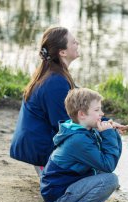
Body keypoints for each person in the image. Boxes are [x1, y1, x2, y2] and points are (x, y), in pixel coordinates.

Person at [40, 88, 122, 202]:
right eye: (97, 110)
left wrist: (112, 132)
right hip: (57, 198)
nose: (102, 114)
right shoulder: (78, 140)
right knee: (110, 180)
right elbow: (109, 165)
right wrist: (109, 135)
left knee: (102, 170)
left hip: (60, 187)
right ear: (82, 114)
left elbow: (106, 159)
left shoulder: (79, 128)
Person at [10, 27, 79, 176]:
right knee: (87, 139)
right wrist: (95, 128)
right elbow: (63, 123)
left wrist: (103, 121)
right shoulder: (56, 81)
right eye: (73, 42)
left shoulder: (54, 73)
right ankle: (49, 171)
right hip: (40, 150)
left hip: (36, 144)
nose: (77, 43)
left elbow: (79, 104)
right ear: (62, 52)